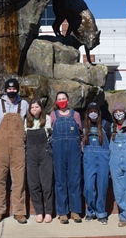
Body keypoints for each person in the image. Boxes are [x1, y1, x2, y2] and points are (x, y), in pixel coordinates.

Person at [0, 78, 29, 224]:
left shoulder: (24, 104)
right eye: (9, 89)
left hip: (19, 145)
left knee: (19, 179)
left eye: (14, 89)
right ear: (5, 89)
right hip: (0, 144)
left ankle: (19, 211)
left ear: (17, 90)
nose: (11, 91)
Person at [50, 91, 83, 224]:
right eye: (59, 99)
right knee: (60, 181)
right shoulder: (53, 115)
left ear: (68, 100)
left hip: (74, 151)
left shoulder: (76, 115)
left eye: (64, 98)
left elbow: (80, 133)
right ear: (56, 102)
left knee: (74, 180)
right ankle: (62, 212)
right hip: (58, 151)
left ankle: (75, 211)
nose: (62, 101)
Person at [25, 98, 54, 223]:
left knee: (47, 183)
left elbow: (49, 133)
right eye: (32, 107)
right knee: (33, 184)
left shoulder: (47, 118)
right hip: (31, 153)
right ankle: (39, 211)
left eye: (36, 107)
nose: (34, 109)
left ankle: (48, 212)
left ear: (41, 108)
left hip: (45, 152)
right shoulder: (26, 121)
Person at [82, 102, 111, 225]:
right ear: (87, 112)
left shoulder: (106, 125)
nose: (93, 113)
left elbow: (111, 141)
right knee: (88, 186)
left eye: (95, 110)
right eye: (91, 110)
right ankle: (90, 210)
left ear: (99, 112)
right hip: (89, 159)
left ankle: (101, 213)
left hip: (103, 158)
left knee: (102, 186)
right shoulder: (84, 125)